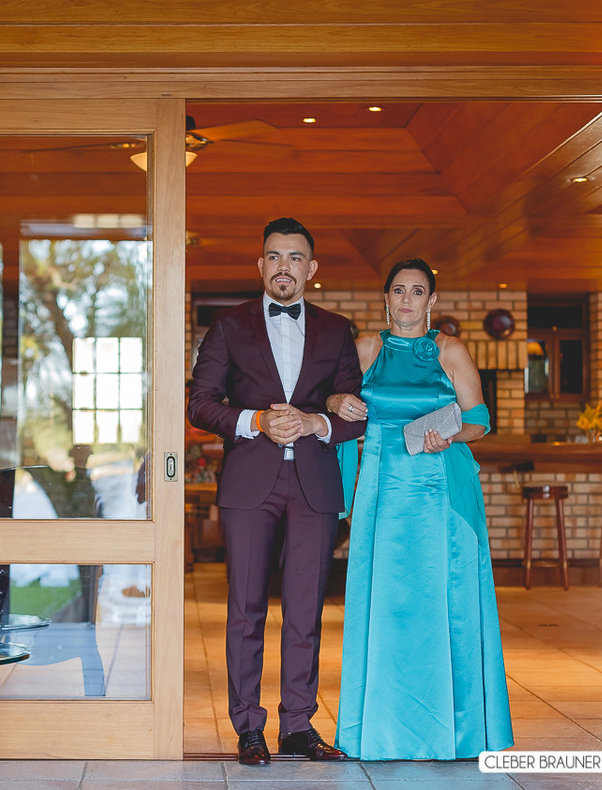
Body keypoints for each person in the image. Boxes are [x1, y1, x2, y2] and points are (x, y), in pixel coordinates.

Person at [187, 217, 366, 766]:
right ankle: (248, 728)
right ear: (260, 265)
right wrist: (256, 419)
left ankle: (297, 726)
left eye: (294, 257)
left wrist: (319, 422)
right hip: (249, 484)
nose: (283, 266)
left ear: (311, 269)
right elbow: (199, 404)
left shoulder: (338, 331)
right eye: (273, 256)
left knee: (307, 611)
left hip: (314, 484)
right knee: (244, 611)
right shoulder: (226, 327)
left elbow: (355, 412)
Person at [327, 257, 513, 760]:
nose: (406, 300)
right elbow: (336, 403)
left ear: (432, 301)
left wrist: (445, 437)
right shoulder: (365, 347)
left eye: (416, 292)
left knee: (441, 604)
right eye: (398, 291)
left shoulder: (450, 350)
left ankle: (454, 732)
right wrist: (337, 400)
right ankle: (378, 732)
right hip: (381, 490)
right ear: (385, 298)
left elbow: (478, 423)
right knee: (384, 604)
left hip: (438, 492)